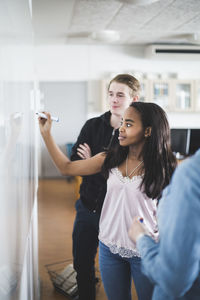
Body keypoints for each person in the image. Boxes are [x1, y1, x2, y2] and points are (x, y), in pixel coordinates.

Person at [38, 101, 177, 300]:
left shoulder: (164, 168)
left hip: (145, 250)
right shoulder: (109, 158)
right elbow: (66, 168)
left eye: (128, 124)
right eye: (122, 122)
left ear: (147, 131)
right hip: (109, 248)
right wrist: (46, 134)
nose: (121, 128)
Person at [52, 74, 141, 300]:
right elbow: (74, 162)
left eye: (120, 95)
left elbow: (126, 173)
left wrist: (95, 162)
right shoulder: (93, 125)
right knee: (82, 264)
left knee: (121, 269)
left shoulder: (136, 132)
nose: (113, 99)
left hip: (118, 214)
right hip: (88, 206)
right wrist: (97, 164)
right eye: (111, 94)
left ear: (134, 98)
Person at [128, 149, 200, 300]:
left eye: (128, 123)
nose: (121, 129)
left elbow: (173, 279)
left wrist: (141, 238)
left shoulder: (192, 173)